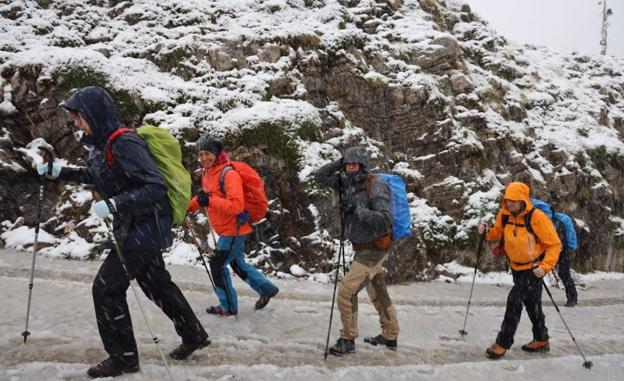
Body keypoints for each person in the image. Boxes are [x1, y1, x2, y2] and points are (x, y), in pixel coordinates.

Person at [37, 86, 209, 378]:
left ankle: (124, 357)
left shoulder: (123, 143)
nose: (76, 124)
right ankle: (193, 334)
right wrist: (58, 171)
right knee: (156, 282)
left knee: (106, 288)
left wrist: (116, 203)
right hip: (136, 225)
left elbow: (156, 186)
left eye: (79, 117)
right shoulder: (101, 145)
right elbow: (97, 176)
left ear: (94, 114)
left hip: (145, 225)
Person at [315, 147, 399, 356]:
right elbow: (320, 176)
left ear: (363, 165)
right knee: (377, 290)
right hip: (361, 247)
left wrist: (357, 211)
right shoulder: (345, 182)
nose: (351, 168)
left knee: (346, 291)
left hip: (375, 248)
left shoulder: (376, 185)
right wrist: (340, 161)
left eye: (355, 164)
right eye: (348, 164)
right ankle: (390, 335)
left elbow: (385, 218)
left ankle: (348, 338)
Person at [187, 134, 279, 316]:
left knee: (217, 265)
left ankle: (228, 307)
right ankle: (266, 289)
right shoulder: (208, 174)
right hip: (229, 229)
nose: (204, 158)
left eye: (208, 154)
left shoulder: (229, 175)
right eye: (201, 154)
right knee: (237, 264)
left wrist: (210, 200)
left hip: (234, 230)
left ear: (217, 153)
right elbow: (206, 198)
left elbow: (236, 206)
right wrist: (186, 208)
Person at [478, 182, 561, 359]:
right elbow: (497, 234)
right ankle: (541, 338)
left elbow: (554, 245)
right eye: (508, 200)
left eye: (514, 201)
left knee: (514, 300)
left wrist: (545, 267)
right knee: (532, 304)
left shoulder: (537, 217)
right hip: (516, 266)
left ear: (523, 200)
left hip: (534, 269)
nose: (510, 204)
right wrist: (486, 232)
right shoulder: (505, 215)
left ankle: (502, 343)